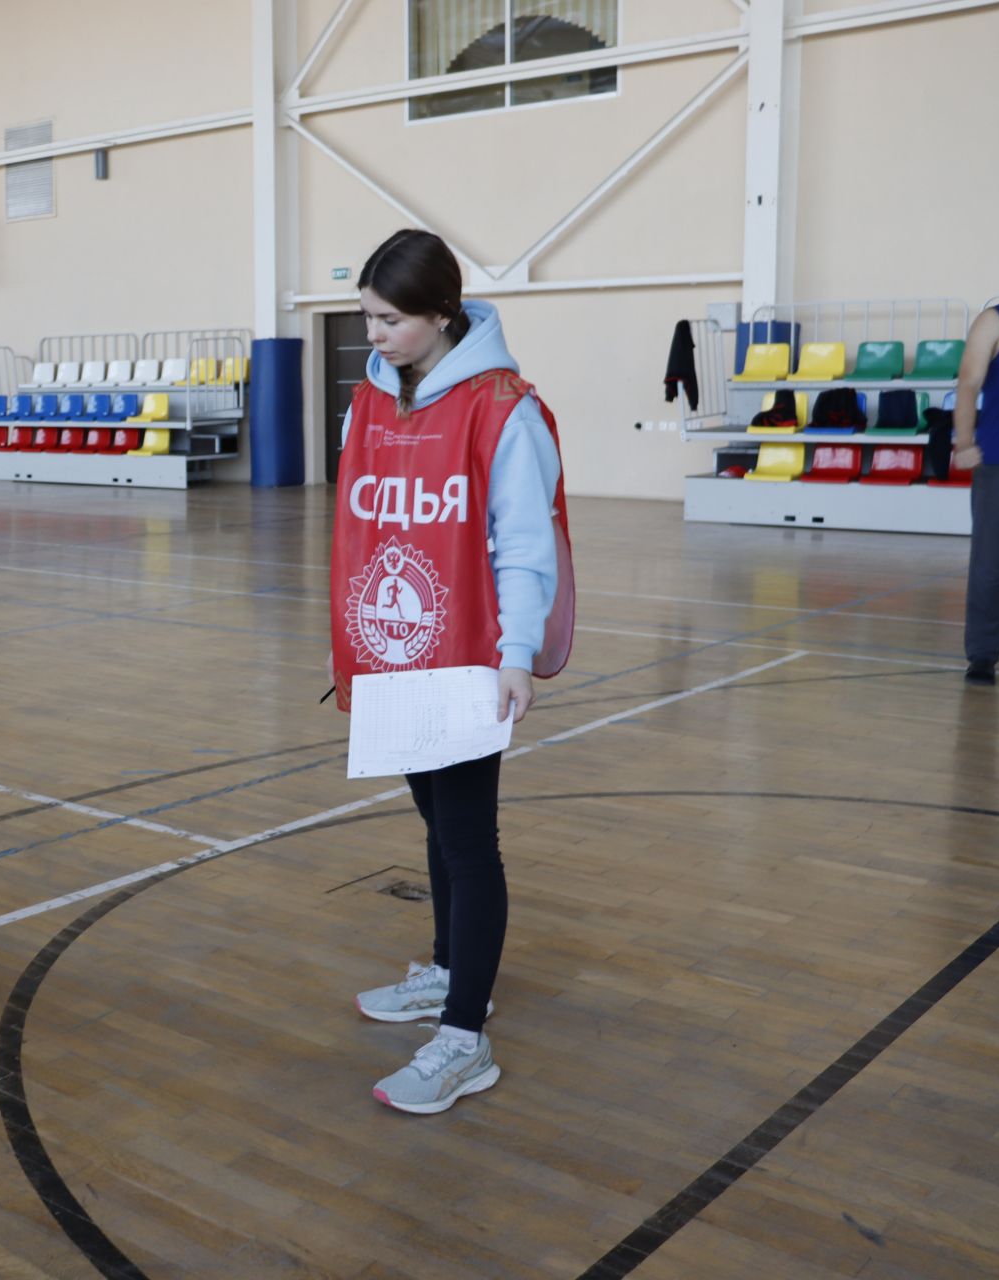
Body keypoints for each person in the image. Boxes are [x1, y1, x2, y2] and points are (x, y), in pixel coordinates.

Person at [328, 229, 574, 1115]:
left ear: (442, 314)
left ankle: (465, 1038)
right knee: (434, 820)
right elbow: (368, 527)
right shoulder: (372, 399)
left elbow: (524, 543)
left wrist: (515, 654)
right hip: (397, 652)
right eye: (366, 318)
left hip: (468, 653)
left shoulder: (503, 407)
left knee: (470, 843)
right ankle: (443, 971)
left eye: (390, 319)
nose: (374, 335)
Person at [953, 297, 999, 686]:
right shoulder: (995, 320)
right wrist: (963, 442)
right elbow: (968, 382)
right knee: (990, 569)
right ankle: (981, 656)